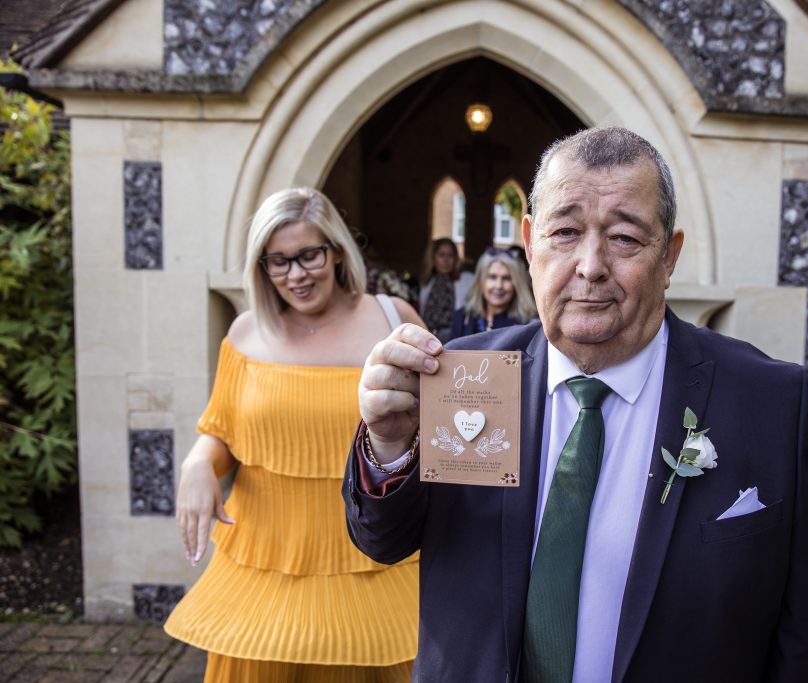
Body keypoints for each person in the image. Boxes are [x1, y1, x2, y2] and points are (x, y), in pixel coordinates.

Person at [344, 128, 808, 682]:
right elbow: (382, 541)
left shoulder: (769, 402)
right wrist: (388, 445)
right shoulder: (464, 378)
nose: (590, 265)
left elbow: (805, 639)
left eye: (625, 238)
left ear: (669, 256)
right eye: (566, 232)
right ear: (530, 243)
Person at [165, 187, 421, 682]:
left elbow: (439, 432)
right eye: (278, 262)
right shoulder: (245, 333)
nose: (296, 275)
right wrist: (197, 463)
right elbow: (221, 431)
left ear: (337, 250)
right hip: (263, 565)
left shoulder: (393, 322)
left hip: (372, 566)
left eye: (308, 255)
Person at [448, 247, 537, 339]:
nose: (498, 286)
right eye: (492, 277)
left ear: (517, 284)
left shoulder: (528, 324)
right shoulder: (462, 317)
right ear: (480, 280)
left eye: (506, 278)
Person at [418, 237, 473, 341]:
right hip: (427, 336)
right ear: (433, 258)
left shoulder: (466, 280)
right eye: (441, 255)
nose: (446, 260)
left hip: (454, 337)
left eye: (450, 256)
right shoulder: (427, 281)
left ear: (455, 259)